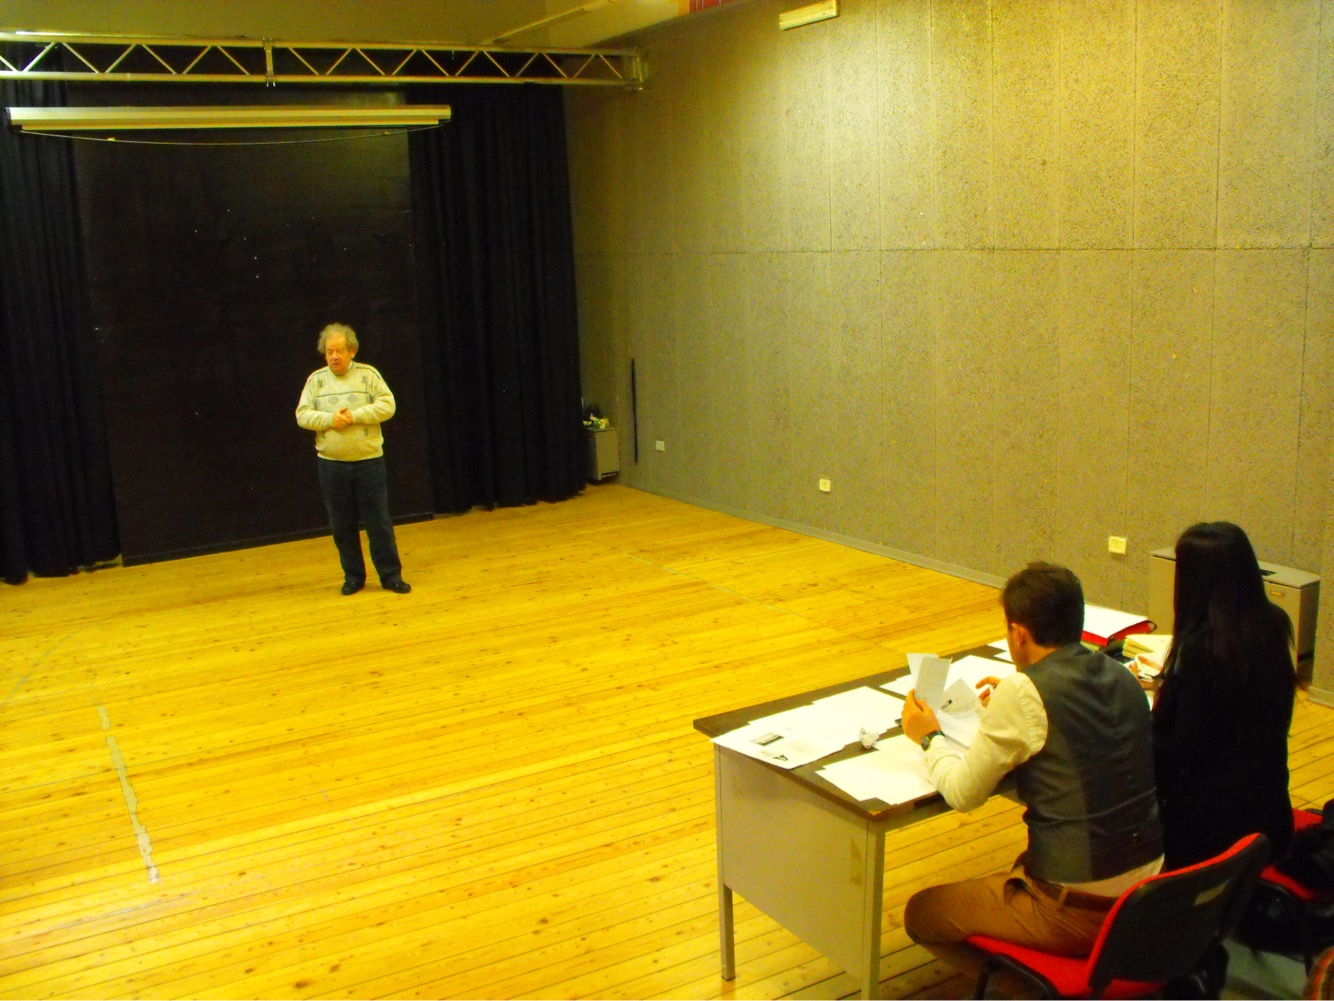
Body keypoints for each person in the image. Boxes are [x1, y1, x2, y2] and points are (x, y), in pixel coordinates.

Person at [900, 561, 1163, 960]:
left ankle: (1023, 985)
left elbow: (962, 794)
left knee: (923, 912)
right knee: (1019, 865)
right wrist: (1016, 701)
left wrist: (929, 736)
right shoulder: (1123, 676)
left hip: (1085, 908)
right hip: (1150, 889)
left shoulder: (1024, 693)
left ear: (1019, 633)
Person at [1152, 521, 1295, 870]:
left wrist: (1133, 725)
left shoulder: (1203, 649)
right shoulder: (1274, 624)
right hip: (1271, 814)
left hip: (1215, 833)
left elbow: (1183, 753)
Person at [295, 323, 411, 595]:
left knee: (378, 523)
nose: (334, 356)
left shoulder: (368, 375)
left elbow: (388, 406)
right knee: (342, 525)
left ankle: (390, 576)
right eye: (329, 351)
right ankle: (353, 577)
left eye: (339, 350)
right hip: (331, 465)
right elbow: (302, 415)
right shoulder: (316, 381)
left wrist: (354, 416)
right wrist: (330, 419)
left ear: (352, 351)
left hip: (369, 463)